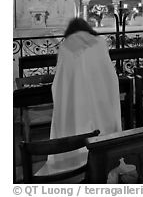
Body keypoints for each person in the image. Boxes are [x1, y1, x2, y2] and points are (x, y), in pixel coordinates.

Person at [36, 17, 122, 176]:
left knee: (76, 124)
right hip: (100, 96)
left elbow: (61, 79)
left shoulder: (66, 46)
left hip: (75, 98)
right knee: (99, 125)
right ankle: (103, 160)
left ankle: (75, 159)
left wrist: (63, 94)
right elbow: (109, 73)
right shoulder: (100, 42)